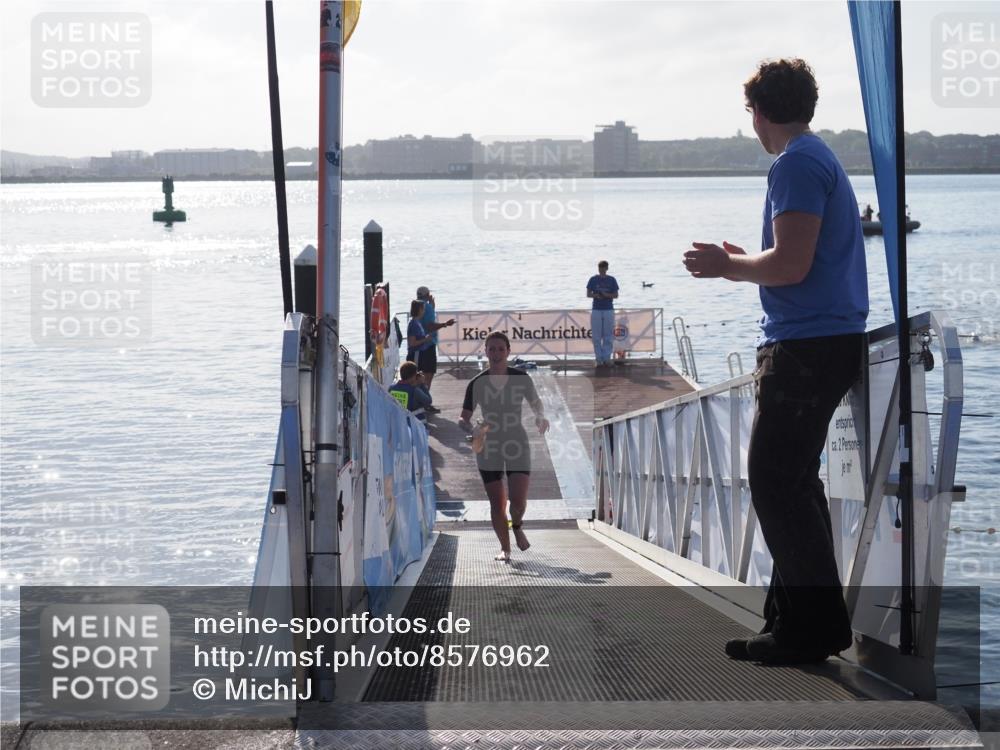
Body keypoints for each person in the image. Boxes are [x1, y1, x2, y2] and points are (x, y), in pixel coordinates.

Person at [682, 58, 868, 665]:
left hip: (806, 348)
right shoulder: (818, 158)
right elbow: (794, 257)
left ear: (758, 112)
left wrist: (727, 266)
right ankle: (792, 622)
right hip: (825, 342)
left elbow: (791, 266)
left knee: (774, 480)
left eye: (751, 116)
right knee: (792, 482)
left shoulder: (795, 164)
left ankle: (813, 628)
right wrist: (749, 258)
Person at [458, 331, 549, 563]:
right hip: (489, 444)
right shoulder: (477, 383)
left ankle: (516, 525)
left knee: (517, 501)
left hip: (516, 440)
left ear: (508, 351)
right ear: (485, 352)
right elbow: (463, 419)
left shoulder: (522, 378)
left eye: (501, 349)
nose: (496, 353)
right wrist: (472, 431)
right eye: (492, 349)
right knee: (497, 502)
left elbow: (537, 404)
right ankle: (505, 549)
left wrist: (540, 417)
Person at [415, 286, 455, 406]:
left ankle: (421, 399)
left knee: (420, 373)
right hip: (428, 344)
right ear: (428, 295)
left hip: (419, 345)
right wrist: (445, 324)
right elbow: (429, 326)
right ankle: (424, 401)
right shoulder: (427, 307)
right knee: (428, 374)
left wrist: (432, 307)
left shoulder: (415, 305)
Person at [586, 260, 619, 366]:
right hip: (596, 309)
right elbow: (588, 294)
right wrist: (596, 295)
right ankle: (598, 358)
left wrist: (606, 295)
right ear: (598, 269)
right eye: (600, 268)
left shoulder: (612, 279)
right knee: (596, 335)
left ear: (607, 268)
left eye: (603, 268)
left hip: (608, 309)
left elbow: (616, 295)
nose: (602, 270)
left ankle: (606, 358)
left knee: (608, 335)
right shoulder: (593, 279)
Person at [406, 299, 433, 366]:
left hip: (420, 354)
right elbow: (412, 343)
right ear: (419, 310)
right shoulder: (413, 324)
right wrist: (425, 339)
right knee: (415, 374)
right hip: (416, 354)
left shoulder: (418, 322)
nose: (424, 311)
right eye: (423, 309)